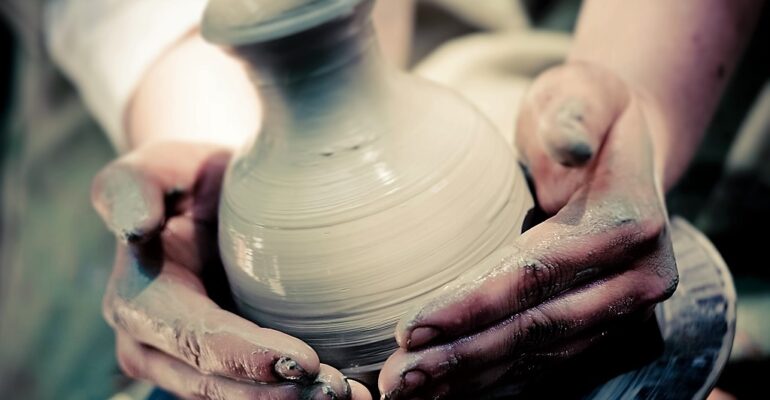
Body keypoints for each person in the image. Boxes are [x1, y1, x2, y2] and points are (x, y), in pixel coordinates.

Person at [12, 0, 763, 399]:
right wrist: (228, 198)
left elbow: (614, 124)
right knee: (124, 353)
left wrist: (635, 109)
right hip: (201, 69)